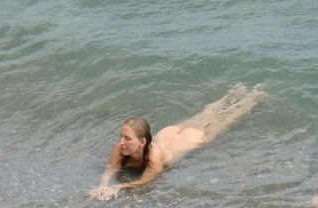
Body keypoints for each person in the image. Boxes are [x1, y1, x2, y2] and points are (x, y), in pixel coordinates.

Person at [89, 84, 267, 200]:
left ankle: (254, 97)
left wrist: (120, 186)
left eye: (127, 138)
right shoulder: (120, 148)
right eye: (122, 136)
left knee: (224, 119)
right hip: (168, 133)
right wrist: (102, 185)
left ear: (142, 142)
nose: (122, 142)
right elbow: (111, 168)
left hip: (190, 140)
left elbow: (146, 180)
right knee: (205, 116)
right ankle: (235, 93)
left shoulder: (154, 155)